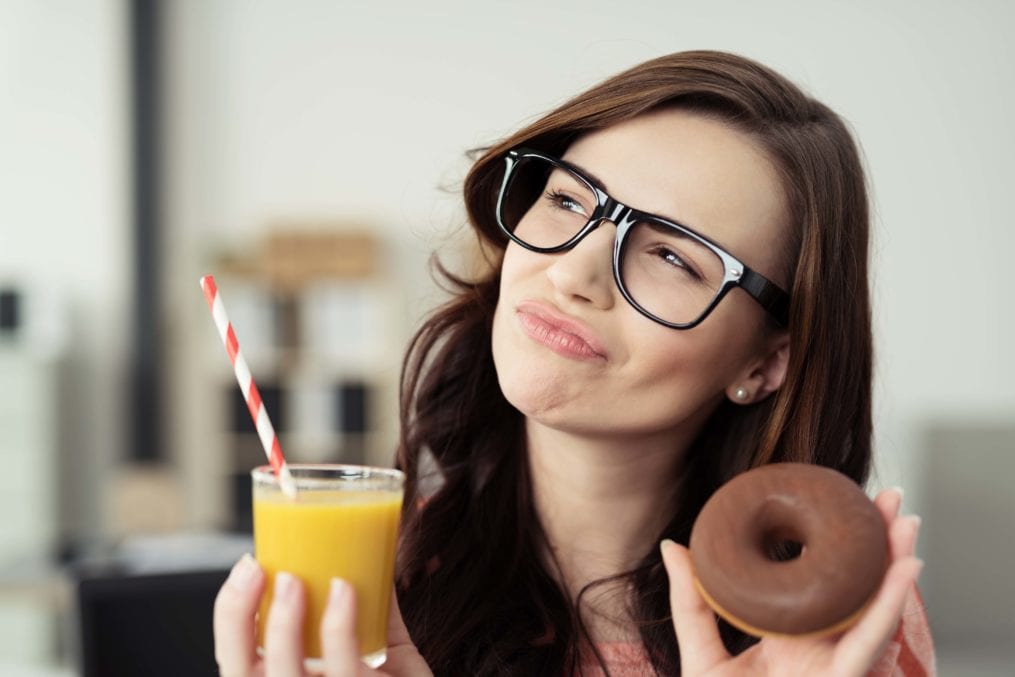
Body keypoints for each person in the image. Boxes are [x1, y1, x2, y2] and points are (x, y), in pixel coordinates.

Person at [213, 50, 935, 676]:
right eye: (567, 199)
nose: (572, 273)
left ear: (766, 360)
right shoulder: (372, 582)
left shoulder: (833, 626)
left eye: (671, 256)